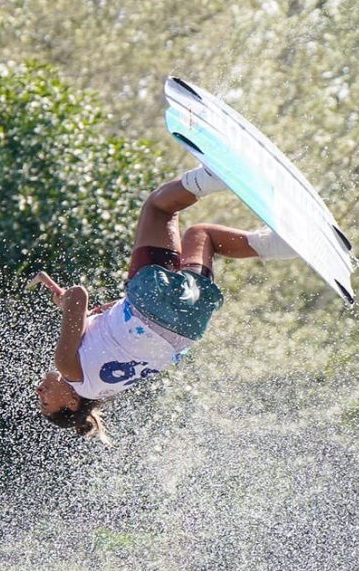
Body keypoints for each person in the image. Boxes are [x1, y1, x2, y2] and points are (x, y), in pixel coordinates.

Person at [33, 166, 299, 442]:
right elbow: (79, 295)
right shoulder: (67, 368)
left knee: (202, 236)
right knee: (159, 208)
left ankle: (282, 245)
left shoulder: (106, 387)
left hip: (189, 327)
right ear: (73, 404)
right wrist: (67, 302)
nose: (39, 393)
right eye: (45, 402)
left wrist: (100, 312)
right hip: (151, 302)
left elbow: (122, 335)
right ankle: (218, 174)